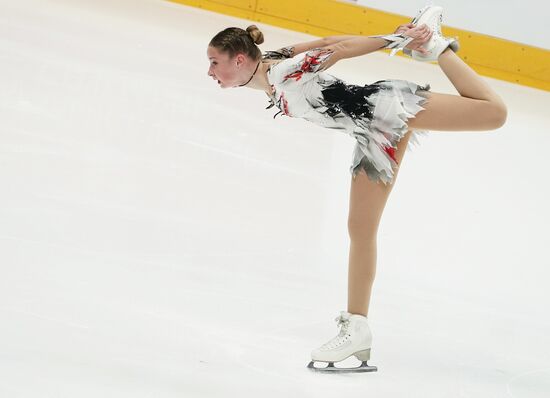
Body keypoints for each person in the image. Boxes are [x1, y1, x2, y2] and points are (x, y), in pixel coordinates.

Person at [206, 5, 507, 373]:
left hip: (386, 109)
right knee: (360, 229)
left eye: (214, 63)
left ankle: (437, 47)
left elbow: (339, 48)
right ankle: (357, 328)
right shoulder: (271, 61)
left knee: (494, 113)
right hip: (369, 133)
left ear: (238, 60)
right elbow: (329, 40)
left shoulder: (284, 71)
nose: (210, 72)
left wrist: (398, 39)